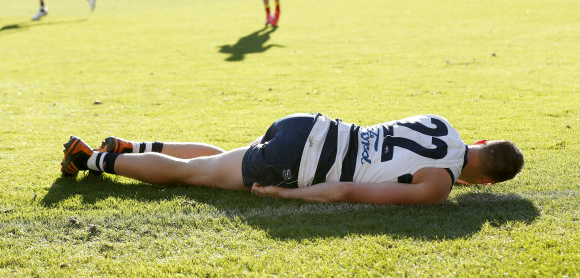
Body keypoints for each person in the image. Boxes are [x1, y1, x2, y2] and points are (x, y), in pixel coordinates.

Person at [59, 113, 524, 205]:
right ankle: (89, 160)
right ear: (483, 182)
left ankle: (128, 148)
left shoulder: (442, 124)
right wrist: (284, 192)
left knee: (222, 159)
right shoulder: (439, 186)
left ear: (481, 142)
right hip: (303, 161)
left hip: (310, 125)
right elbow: (348, 190)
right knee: (195, 176)